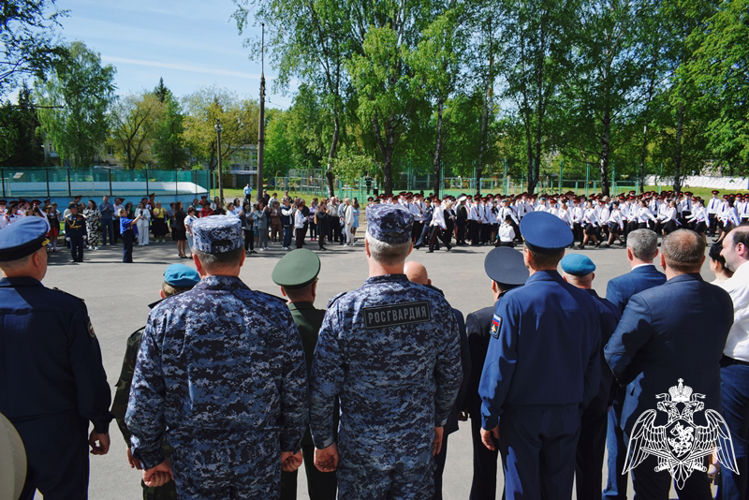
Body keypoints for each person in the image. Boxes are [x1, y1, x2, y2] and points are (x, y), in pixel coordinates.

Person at [126, 216, 309, 499]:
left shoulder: (166, 316)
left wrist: (150, 456)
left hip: (195, 460)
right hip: (258, 456)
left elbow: (144, 396)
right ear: (243, 257)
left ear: (197, 261)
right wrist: (289, 443)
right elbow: (295, 390)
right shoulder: (275, 313)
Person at [309, 204, 463, 499]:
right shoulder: (436, 307)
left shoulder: (345, 310)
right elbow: (451, 374)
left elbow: (322, 388)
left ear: (366, 246)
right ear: (410, 248)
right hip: (415, 442)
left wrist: (323, 440)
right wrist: (438, 422)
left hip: (361, 448)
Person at [479, 211, 601, 500]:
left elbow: (500, 365)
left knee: (521, 489)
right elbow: (593, 362)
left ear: (527, 255)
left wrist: (489, 415)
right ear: (560, 255)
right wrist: (578, 404)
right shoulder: (585, 302)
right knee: (558, 488)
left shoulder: (513, 302)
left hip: (523, 413)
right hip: (567, 408)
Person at [605, 229, 734, 498]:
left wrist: (628, 380)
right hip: (701, 409)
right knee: (696, 488)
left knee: (650, 489)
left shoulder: (647, 302)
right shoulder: (722, 298)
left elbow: (615, 355)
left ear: (662, 259)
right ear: (701, 260)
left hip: (652, 413)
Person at [0, 217, 112, 499]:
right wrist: (99, 423)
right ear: (38, 258)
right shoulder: (66, 309)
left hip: (2, 433)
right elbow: (88, 375)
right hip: (58, 432)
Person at [111, 264, 201, 500]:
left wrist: (138, 446)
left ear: (162, 294)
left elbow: (127, 399)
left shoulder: (144, 336)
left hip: (160, 451)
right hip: (206, 451)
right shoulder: (215, 333)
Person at [602, 229, 667, 500]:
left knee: (618, 439)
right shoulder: (667, 282)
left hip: (625, 374)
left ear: (628, 252)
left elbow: (614, 334)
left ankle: (615, 492)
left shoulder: (619, 285)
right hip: (659, 371)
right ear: (656, 253)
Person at [272, 249, 338, 500]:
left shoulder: (272, 325)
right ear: (314, 287)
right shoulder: (329, 322)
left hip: (282, 430)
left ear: (282, 291)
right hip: (325, 429)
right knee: (323, 494)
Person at [404, 260, 471, 500]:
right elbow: (462, 368)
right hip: (438, 418)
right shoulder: (451, 314)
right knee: (433, 481)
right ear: (429, 284)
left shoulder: (394, 315)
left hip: (400, 418)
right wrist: (457, 407)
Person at [559, 254, 621, 500]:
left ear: (564, 278)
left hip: (562, 401)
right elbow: (616, 360)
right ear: (592, 277)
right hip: (598, 398)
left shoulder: (560, 308)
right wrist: (609, 398)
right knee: (591, 465)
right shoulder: (610, 311)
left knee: (558, 467)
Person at [718, 226, 749, 498]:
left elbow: (719, 318)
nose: (722, 251)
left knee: (733, 447)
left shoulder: (742, 281)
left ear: (740, 248)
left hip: (739, 370)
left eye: (725, 245)